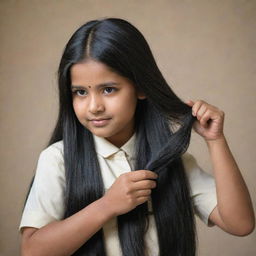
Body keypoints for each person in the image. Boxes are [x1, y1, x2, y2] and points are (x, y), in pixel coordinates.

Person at [19, 18, 255, 256]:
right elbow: (33, 250)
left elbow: (241, 224)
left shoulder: (173, 161)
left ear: (141, 87)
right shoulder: (58, 159)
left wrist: (215, 141)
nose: (94, 106)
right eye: (80, 92)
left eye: (108, 89)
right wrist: (107, 205)